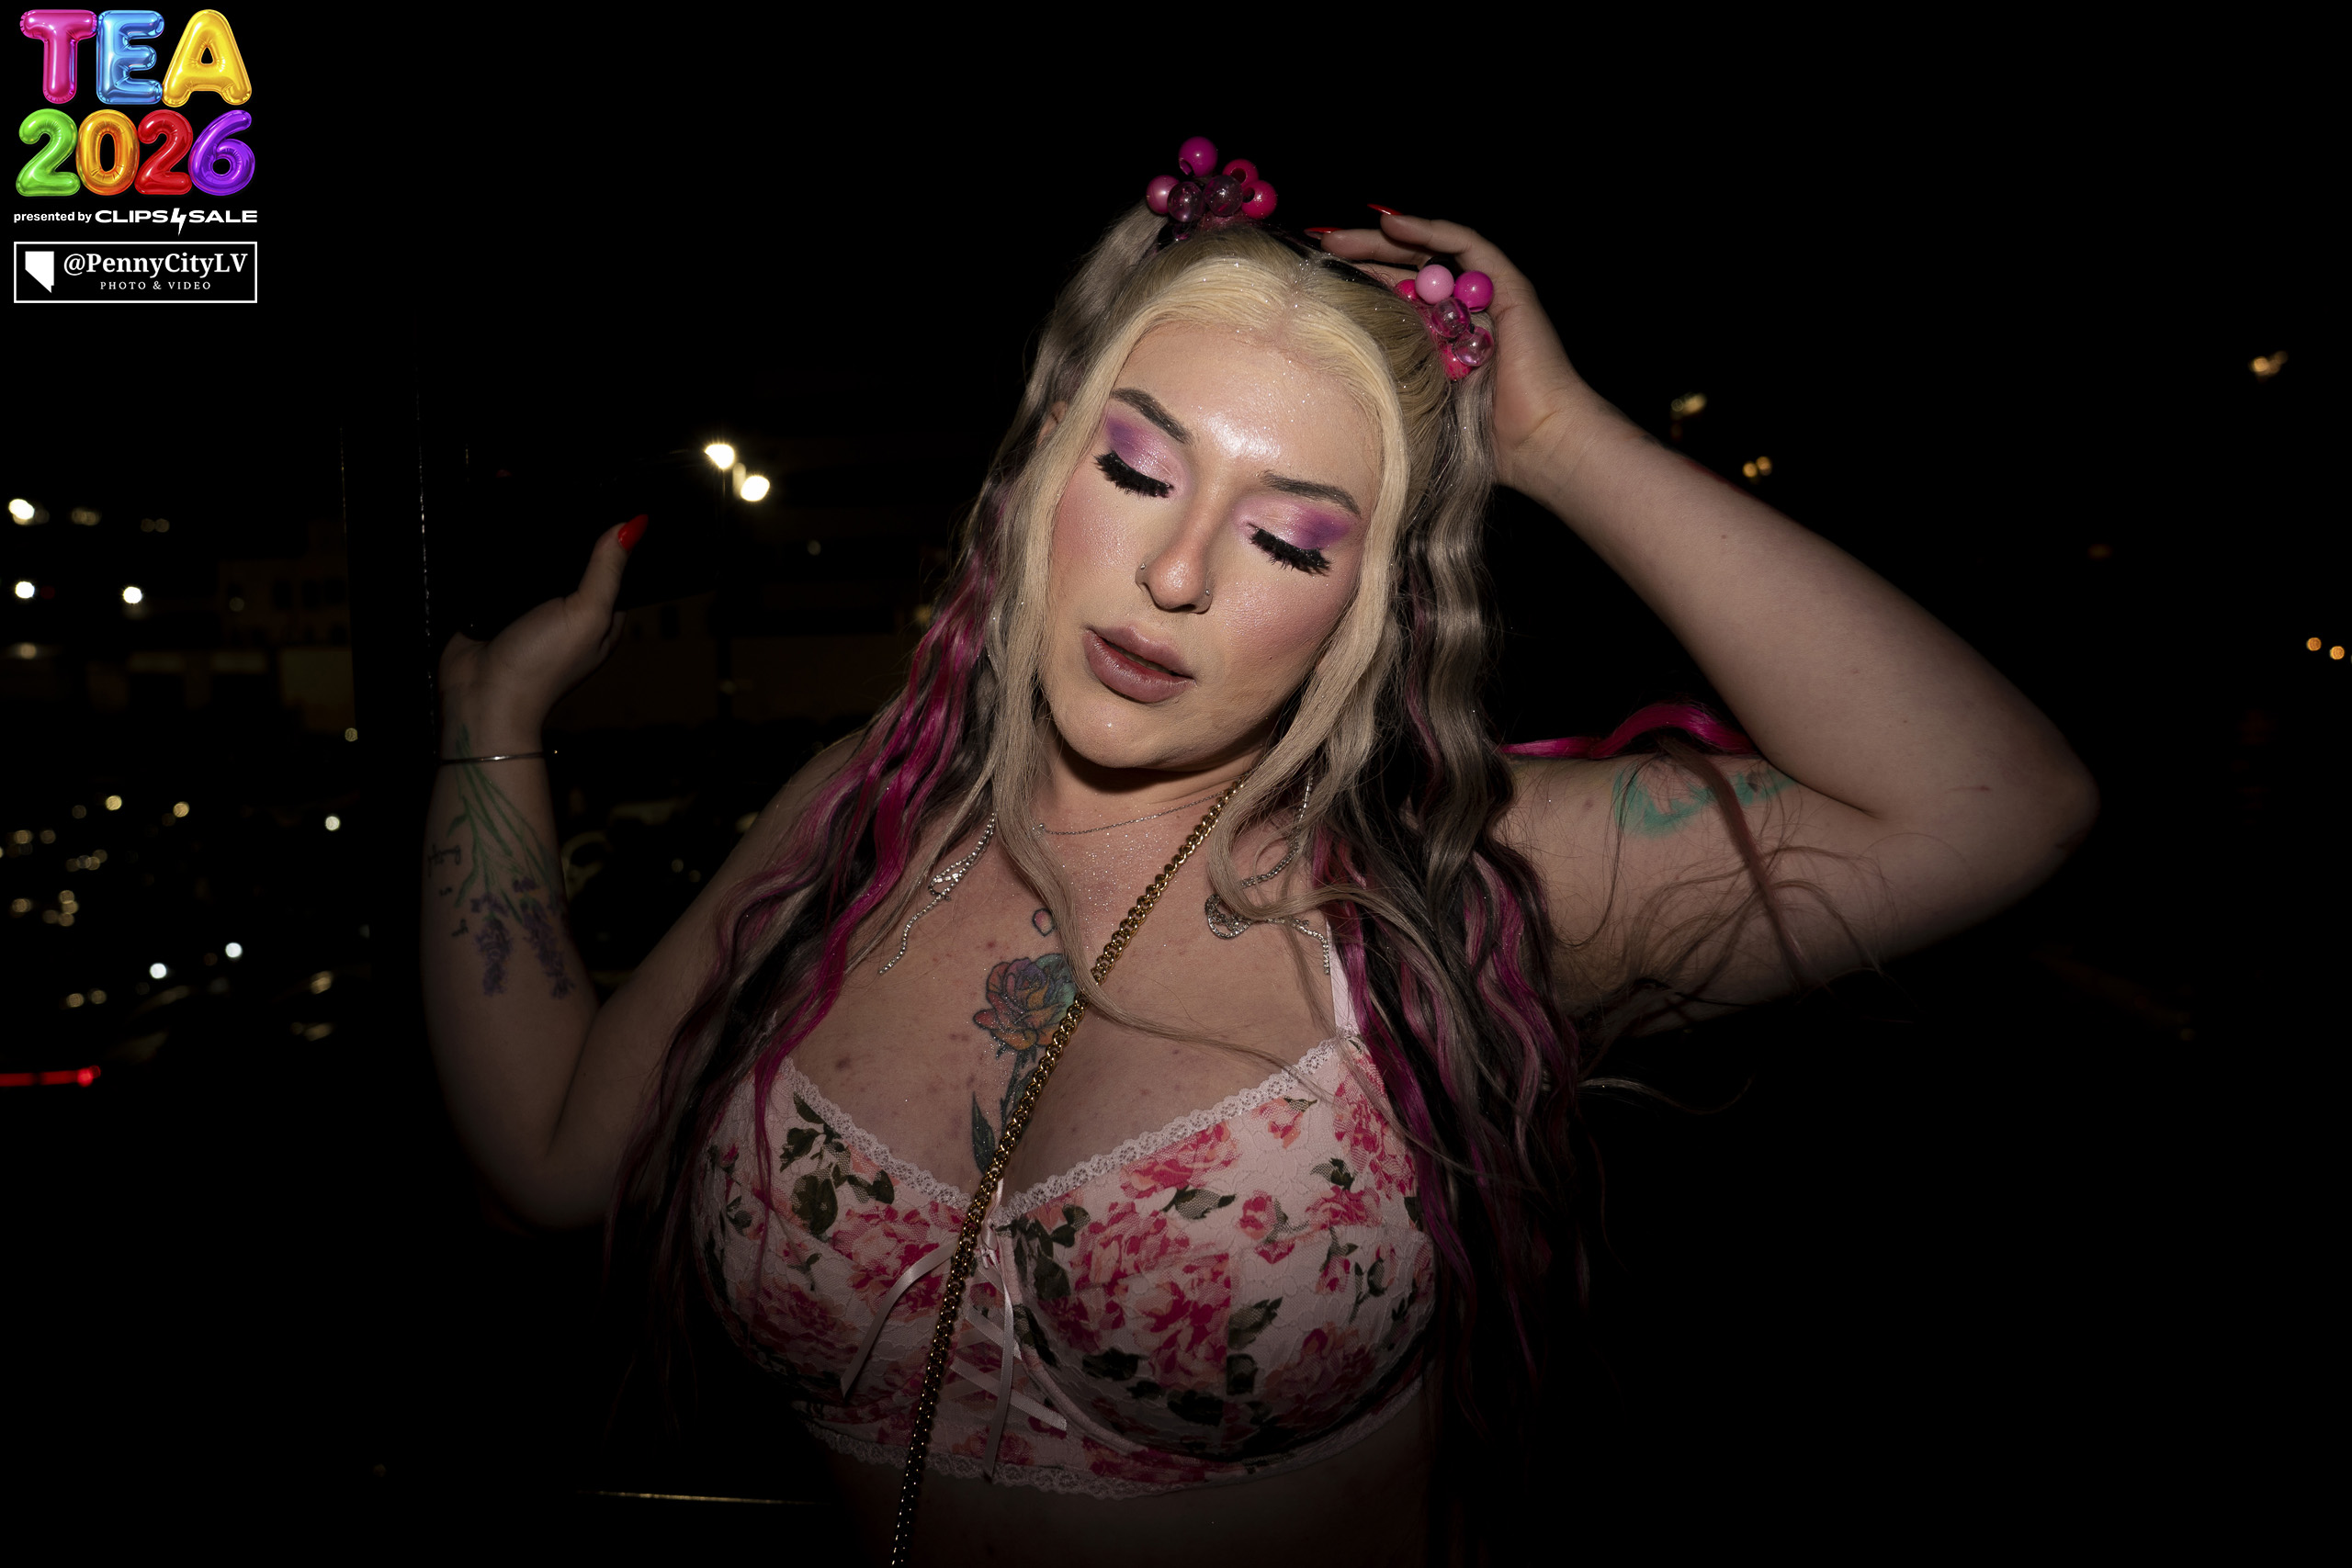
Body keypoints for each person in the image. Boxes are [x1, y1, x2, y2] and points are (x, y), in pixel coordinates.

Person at [422, 142, 2097, 1564]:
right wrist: (492, 733)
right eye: (1137, 468)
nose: (1178, 576)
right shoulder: (856, 814)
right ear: (1040, 469)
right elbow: (550, 1160)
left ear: (1374, 601)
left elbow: (1993, 804)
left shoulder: (1447, 889)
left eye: (1292, 537)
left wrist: (1562, 441)